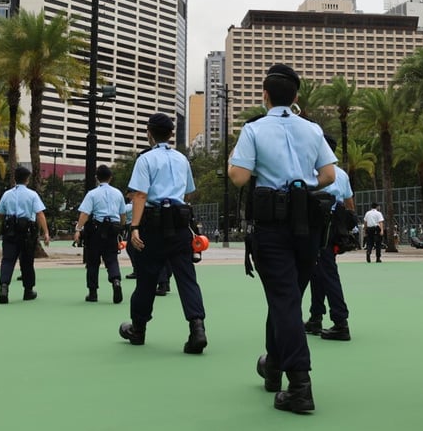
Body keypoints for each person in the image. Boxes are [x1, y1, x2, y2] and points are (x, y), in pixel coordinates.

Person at [228, 64, 337, 414]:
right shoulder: (313, 129)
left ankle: (300, 385)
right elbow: (329, 175)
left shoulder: (254, 129)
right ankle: (273, 367)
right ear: (296, 98)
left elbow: (239, 177)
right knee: (288, 298)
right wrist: (301, 187)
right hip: (308, 226)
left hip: (272, 227)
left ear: (265, 95)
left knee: (284, 299)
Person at [119, 113, 208, 355]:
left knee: (146, 279)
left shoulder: (146, 159)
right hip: (179, 226)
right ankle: (197, 328)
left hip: (152, 225)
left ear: (149, 132)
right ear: (171, 134)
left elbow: (139, 195)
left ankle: (138, 329)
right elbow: (188, 192)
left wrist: (135, 227)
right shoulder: (182, 159)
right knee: (187, 278)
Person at [305, 134, 355, 341]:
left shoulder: (314, 172)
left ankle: (340, 322)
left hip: (318, 226)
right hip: (334, 225)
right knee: (318, 271)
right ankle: (316, 317)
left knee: (326, 271)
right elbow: (350, 205)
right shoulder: (341, 174)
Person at [0, 166, 50, 304]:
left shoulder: (7, 194)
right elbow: (39, 214)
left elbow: (0, 212)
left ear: (15, 178)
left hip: (10, 230)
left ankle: (4, 286)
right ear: (27, 179)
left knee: (7, 260)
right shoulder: (32, 195)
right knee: (27, 261)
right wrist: (46, 232)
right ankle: (28, 290)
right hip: (27, 231)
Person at [74, 165, 125, 303]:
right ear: (111, 178)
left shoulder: (92, 194)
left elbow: (85, 213)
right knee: (112, 259)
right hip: (113, 230)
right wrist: (120, 228)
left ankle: (93, 293)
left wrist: (78, 229)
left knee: (93, 262)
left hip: (96, 229)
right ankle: (116, 280)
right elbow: (122, 214)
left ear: (97, 178)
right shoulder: (118, 193)